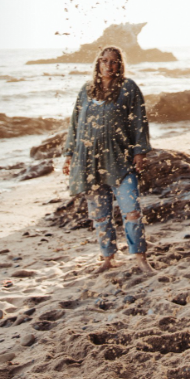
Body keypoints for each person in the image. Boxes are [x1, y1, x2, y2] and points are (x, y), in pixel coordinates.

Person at [63, 46, 153, 274]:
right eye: (104, 60)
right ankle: (107, 258)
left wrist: (140, 152)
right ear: (97, 63)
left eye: (114, 61)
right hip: (90, 161)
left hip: (121, 160)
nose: (108, 65)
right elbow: (75, 124)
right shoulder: (86, 90)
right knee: (101, 215)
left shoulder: (128, 88)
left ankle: (141, 258)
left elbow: (139, 122)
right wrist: (69, 155)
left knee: (132, 211)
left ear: (120, 64)